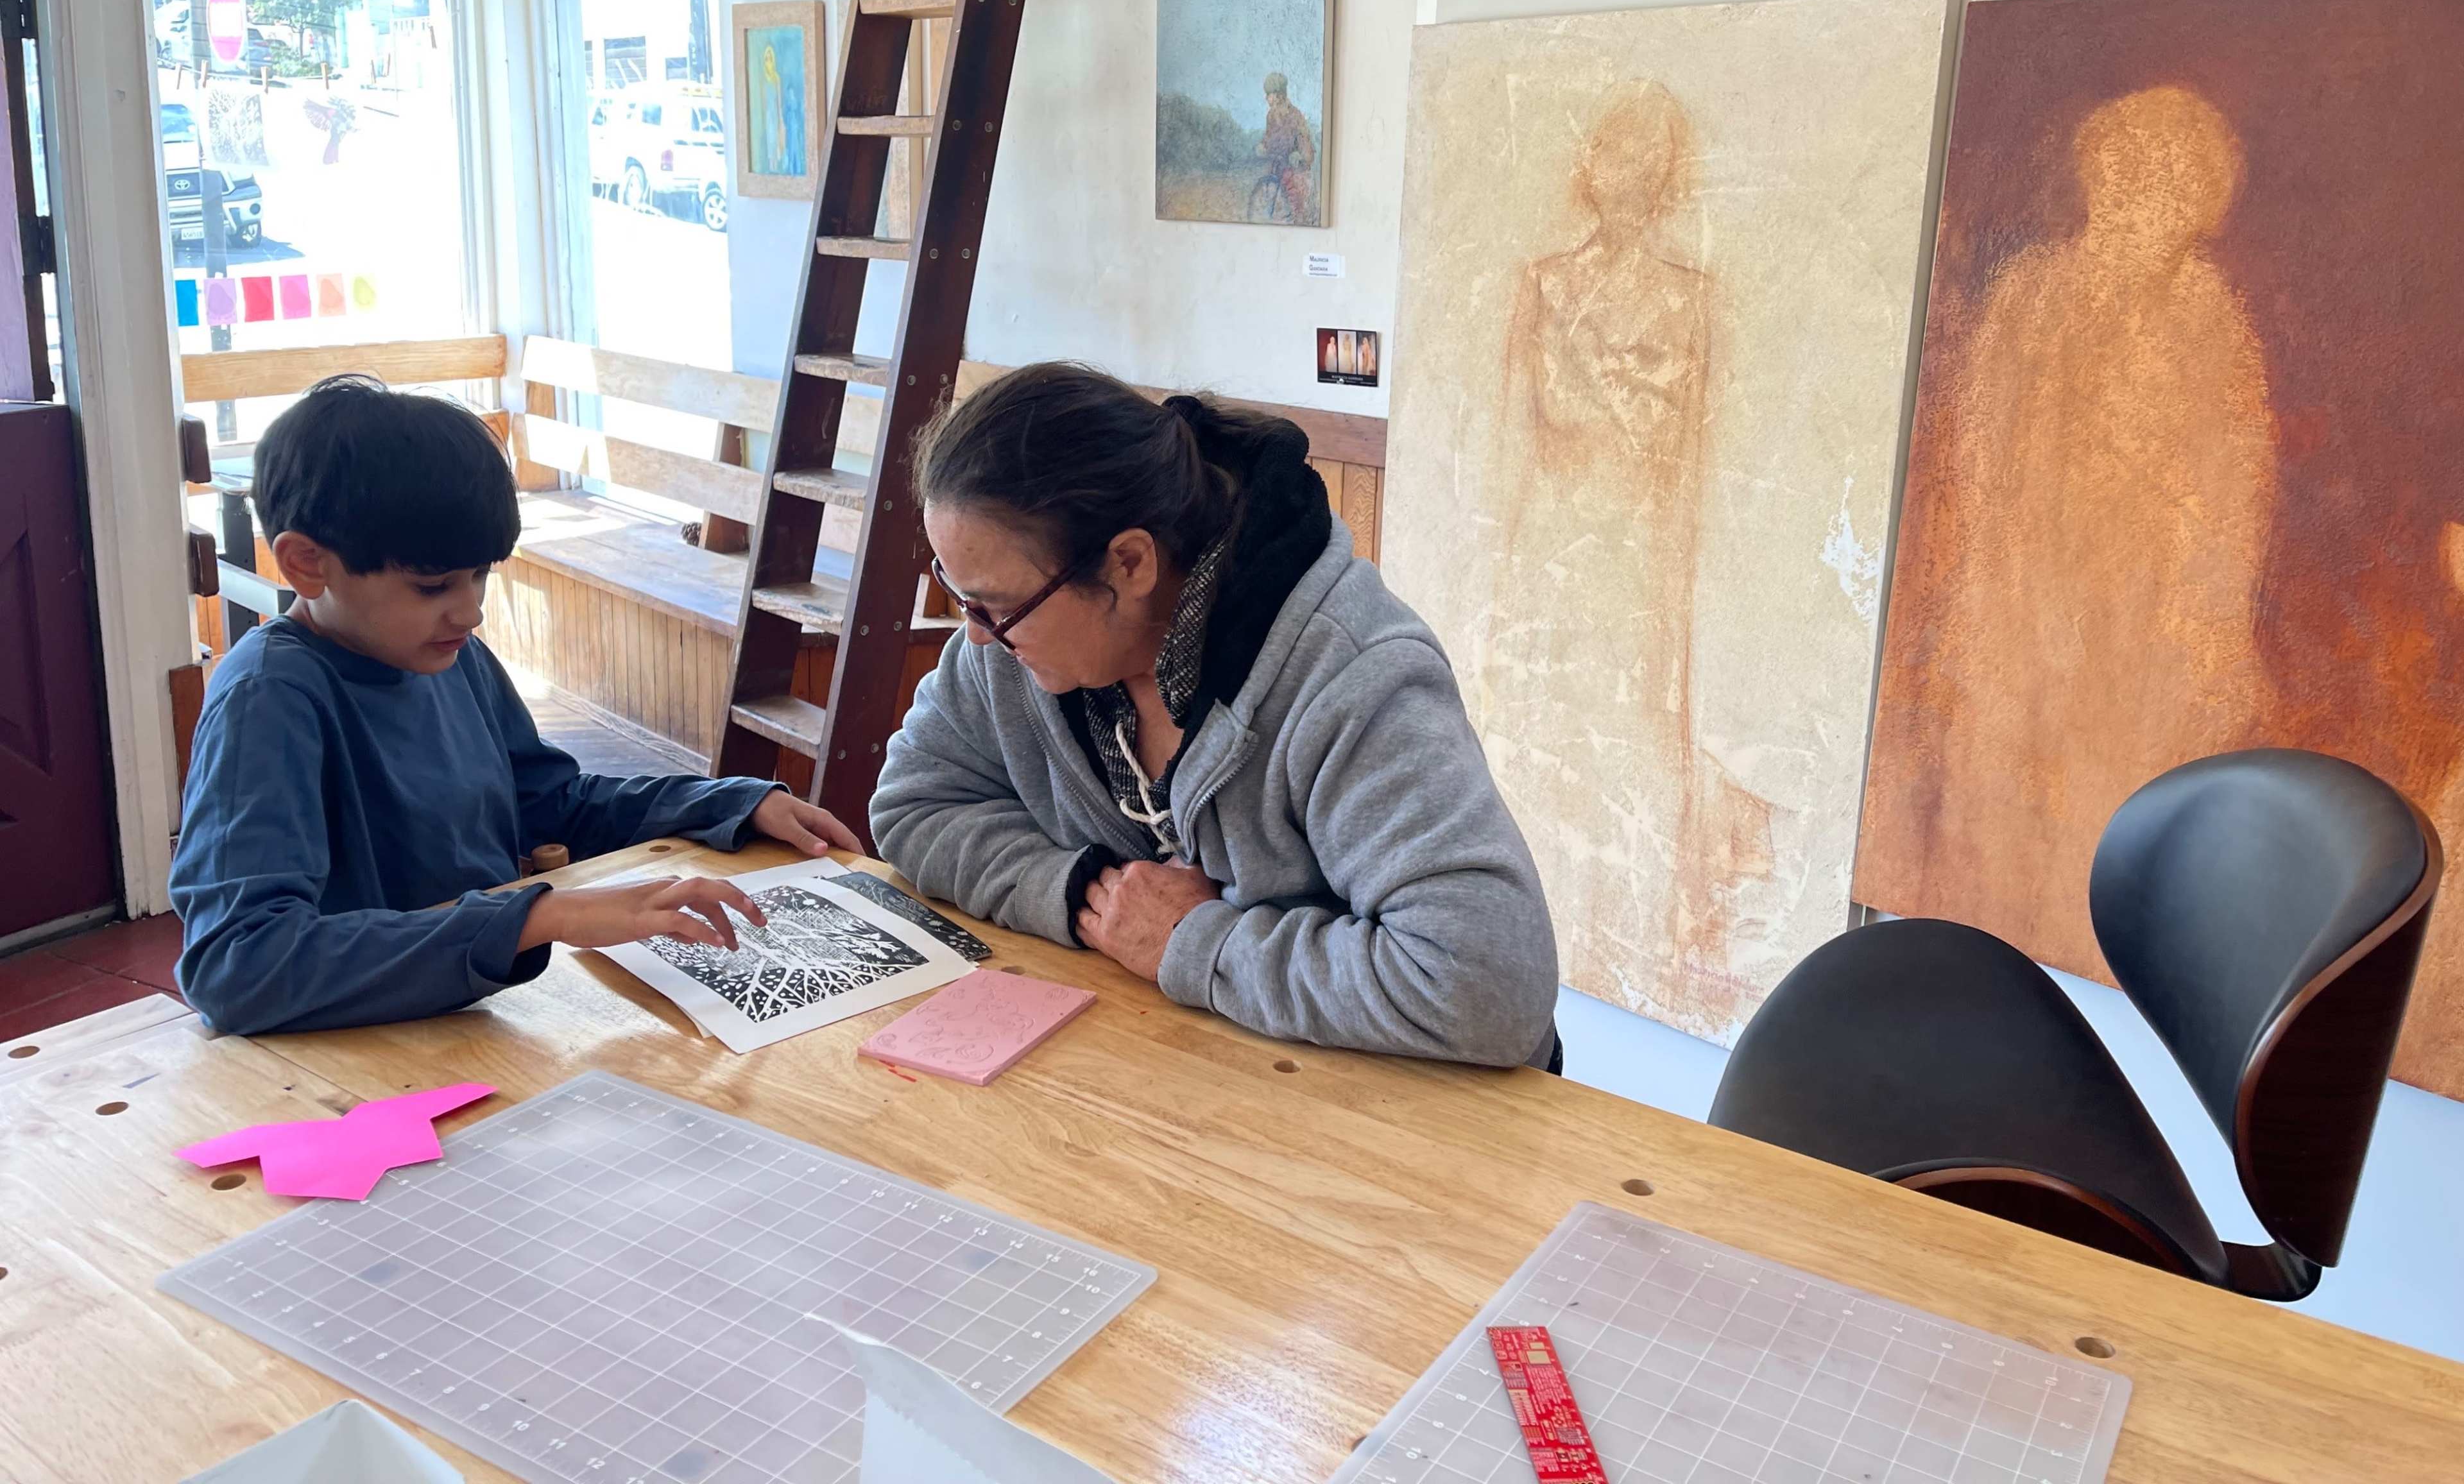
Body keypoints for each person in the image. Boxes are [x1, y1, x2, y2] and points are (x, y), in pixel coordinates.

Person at [871, 362, 1561, 1069]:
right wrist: (1085, 892)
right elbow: (913, 808)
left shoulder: (1352, 673)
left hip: (1417, 1114)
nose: (978, 634)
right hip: (1188, 1067)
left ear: (1130, 563)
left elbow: (1487, 986)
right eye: (959, 594)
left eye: (996, 606)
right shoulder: (1016, 634)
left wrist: (1192, 942)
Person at [169, 377, 862, 1037]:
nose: (469, 611)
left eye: (481, 576)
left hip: (468, 1025)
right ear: (306, 564)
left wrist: (729, 805)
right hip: (344, 1077)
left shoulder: (447, 653)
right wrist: (535, 918)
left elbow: (551, 806)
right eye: (434, 584)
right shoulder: (269, 698)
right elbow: (240, 966)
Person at [1258, 71, 1317, 225]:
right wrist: (1264, 145)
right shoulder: (1271, 115)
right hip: (1280, 159)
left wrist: (1300, 155)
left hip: (1296, 159)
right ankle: (1275, 211)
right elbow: (1269, 136)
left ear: (1278, 96)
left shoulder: (1294, 115)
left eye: (1269, 95)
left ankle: (1298, 216)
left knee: (1292, 186)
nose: (1267, 98)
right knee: (1272, 178)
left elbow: (1300, 139)